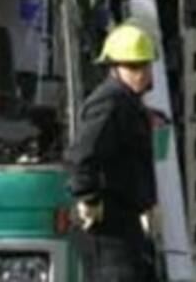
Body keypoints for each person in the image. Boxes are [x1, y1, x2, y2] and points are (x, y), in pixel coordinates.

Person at [66, 23, 159, 282]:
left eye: (144, 65)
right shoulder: (110, 101)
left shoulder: (127, 102)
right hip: (108, 230)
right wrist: (89, 199)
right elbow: (81, 155)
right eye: (133, 67)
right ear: (114, 68)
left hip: (125, 225)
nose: (141, 73)